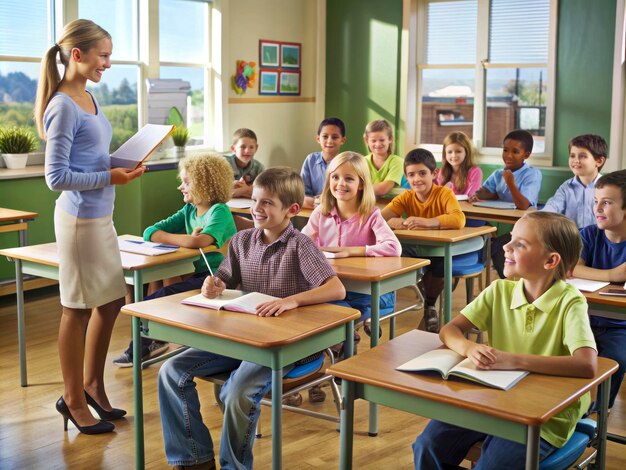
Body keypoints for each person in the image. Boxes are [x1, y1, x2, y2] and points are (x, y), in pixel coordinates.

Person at [157, 167, 346, 469]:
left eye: (267, 203)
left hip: (284, 347)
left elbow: (336, 289)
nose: (257, 209)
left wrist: (291, 301)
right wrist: (213, 285)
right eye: (255, 200)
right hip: (242, 338)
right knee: (171, 371)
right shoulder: (242, 241)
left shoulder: (300, 245)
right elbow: (223, 280)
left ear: (292, 210)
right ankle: (194, 459)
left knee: (237, 391)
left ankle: (235, 466)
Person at [412, 211, 597, 470]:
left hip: (544, 413)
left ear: (550, 260)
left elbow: (586, 364)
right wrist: (469, 347)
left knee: (492, 465)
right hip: (492, 398)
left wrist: (513, 361)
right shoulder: (500, 290)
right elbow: (450, 330)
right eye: (511, 239)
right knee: (428, 446)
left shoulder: (570, 301)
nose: (506, 247)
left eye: (520, 244)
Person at [34, 19, 145, 434]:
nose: (109, 63)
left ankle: (93, 384)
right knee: (76, 309)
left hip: (101, 217)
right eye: (103, 55)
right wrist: (109, 177)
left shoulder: (88, 98)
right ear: (77, 55)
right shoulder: (62, 104)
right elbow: (56, 177)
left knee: (113, 300)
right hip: (80, 220)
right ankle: (74, 400)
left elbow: (89, 158)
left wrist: (119, 165)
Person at [286, 151, 401, 406]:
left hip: (363, 292)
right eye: (335, 177)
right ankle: (322, 366)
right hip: (330, 289)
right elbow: (303, 243)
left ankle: (339, 351)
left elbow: (394, 247)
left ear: (362, 183)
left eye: (349, 178)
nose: (341, 184)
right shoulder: (320, 213)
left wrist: (352, 251)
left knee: (333, 318)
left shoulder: (371, 213)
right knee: (312, 314)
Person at [112, 153, 237, 367]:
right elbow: (150, 231)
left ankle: (146, 347)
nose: (181, 187)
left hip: (219, 280)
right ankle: (154, 342)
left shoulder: (220, 211)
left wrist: (193, 240)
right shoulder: (190, 209)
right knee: (151, 301)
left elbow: (202, 241)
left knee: (154, 301)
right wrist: (189, 238)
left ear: (204, 184)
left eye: (187, 182)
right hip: (198, 276)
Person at [381, 148, 465, 333]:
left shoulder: (444, 194)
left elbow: (458, 219)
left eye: (422, 173)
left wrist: (428, 223)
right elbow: (379, 219)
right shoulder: (406, 196)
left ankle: (429, 304)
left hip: (439, 250)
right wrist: (397, 222)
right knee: (392, 254)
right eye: (411, 174)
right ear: (406, 177)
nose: (416, 179)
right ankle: (383, 307)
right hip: (416, 248)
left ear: (434, 174)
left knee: (440, 265)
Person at [572, 169, 626, 411]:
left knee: (616, 359)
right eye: (596, 202)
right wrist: (612, 276)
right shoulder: (590, 234)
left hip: (621, 327)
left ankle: (596, 414)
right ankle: (568, 407)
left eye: (607, 203)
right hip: (583, 320)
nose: (597, 209)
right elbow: (571, 268)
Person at [471, 129, 542, 279]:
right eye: (505, 150)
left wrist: (510, 183)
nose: (508, 155)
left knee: (498, 248)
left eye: (515, 151)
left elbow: (523, 205)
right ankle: (505, 280)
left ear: (526, 155)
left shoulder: (532, 174)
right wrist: (478, 195)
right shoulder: (498, 174)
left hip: (522, 229)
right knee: (490, 244)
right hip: (498, 227)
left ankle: (510, 281)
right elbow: (484, 192)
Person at [541, 134, 607, 228]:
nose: (576, 160)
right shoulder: (566, 187)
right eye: (572, 156)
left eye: (583, 156)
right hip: (572, 240)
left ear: (599, 161)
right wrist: (537, 218)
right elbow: (552, 207)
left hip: (599, 241)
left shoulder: (608, 188)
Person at [301, 117, 346, 208]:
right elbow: (302, 195)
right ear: (318, 139)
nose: (329, 141)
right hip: (313, 211)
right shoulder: (310, 160)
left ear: (342, 140)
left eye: (335, 137)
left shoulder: (346, 163)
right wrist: (320, 202)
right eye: (325, 136)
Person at [363, 119, 404, 197]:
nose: (378, 144)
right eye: (373, 141)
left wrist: (358, 189)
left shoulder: (397, 162)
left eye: (382, 140)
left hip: (391, 205)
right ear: (366, 141)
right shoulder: (362, 161)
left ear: (390, 139)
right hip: (368, 205)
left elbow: (383, 189)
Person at [436, 131, 482, 197]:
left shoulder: (475, 171)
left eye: (458, 151)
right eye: (449, 152)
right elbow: (439, 196)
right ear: (445, 154)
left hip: (466, 206)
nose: (454, 155)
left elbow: (470, 196)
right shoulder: (442, 172)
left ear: (466, 152)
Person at [224, 128, 265, 198]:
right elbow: (218, 191)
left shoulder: (259, 168)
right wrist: (246, 190)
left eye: (251, 147)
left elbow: (263, 191)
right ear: (233, 148)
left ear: (256, 148)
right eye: (243, 147)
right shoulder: (223, 164)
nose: (247, 151)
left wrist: (241, 191)